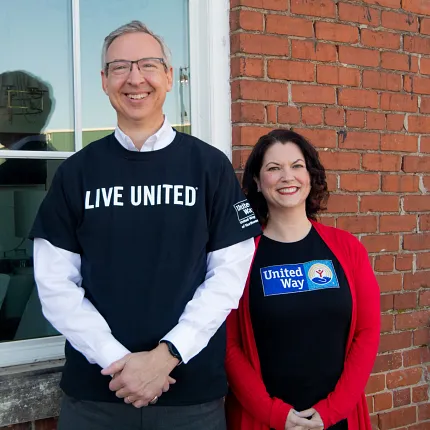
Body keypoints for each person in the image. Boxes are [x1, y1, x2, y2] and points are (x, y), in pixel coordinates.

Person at [30, 21, 261, 430]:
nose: (135, 78)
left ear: (170, 77)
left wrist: (167, 355)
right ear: (103, 81)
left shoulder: (209, 168)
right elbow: (55, 286)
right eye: (119, 67)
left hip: (189, 397)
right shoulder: (76, 174)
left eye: (149, 64)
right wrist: (120, 364)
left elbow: (228, 277)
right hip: (96, 398)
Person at [225, 129, 380, 430]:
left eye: (297, 166)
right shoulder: (240, 256)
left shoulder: (347, 249)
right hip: (263, 420)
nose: (287, 176)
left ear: (310, 176)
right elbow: (229, 346)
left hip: (336, 419)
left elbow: (368, 331)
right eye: (273, 168)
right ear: (257, 181)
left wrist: (333, 410)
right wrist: (273, 413)